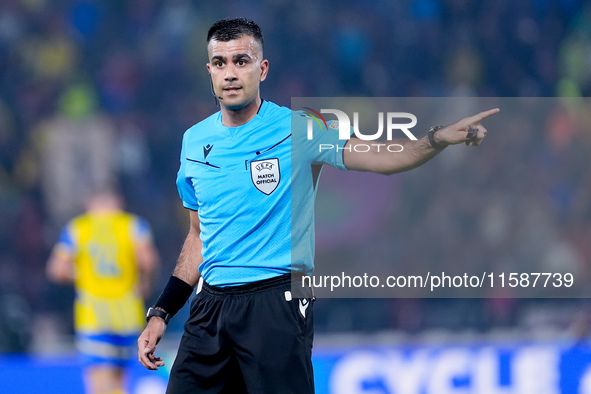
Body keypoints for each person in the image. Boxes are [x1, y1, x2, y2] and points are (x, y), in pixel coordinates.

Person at [137, 17, 499, 393]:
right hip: (210, 307)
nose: (230, 73)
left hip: (275, 299)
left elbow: (387, 158)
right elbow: (198, 235)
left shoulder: (301, 128)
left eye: (241, 61)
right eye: (220, 63)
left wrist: (438, 137)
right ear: (209, 71)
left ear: (262, 70)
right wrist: (162, 312)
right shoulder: (194, 141)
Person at [47, 188, 159, 394]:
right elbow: (149, 261)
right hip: (127, 314)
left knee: (98, 385)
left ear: (90, 203)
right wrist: (145, 282)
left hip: (94, 316)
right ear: (118, 201)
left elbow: (57, 270)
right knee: (118, 383)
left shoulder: (78, 227)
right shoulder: (133, 225)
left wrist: (82, 274)